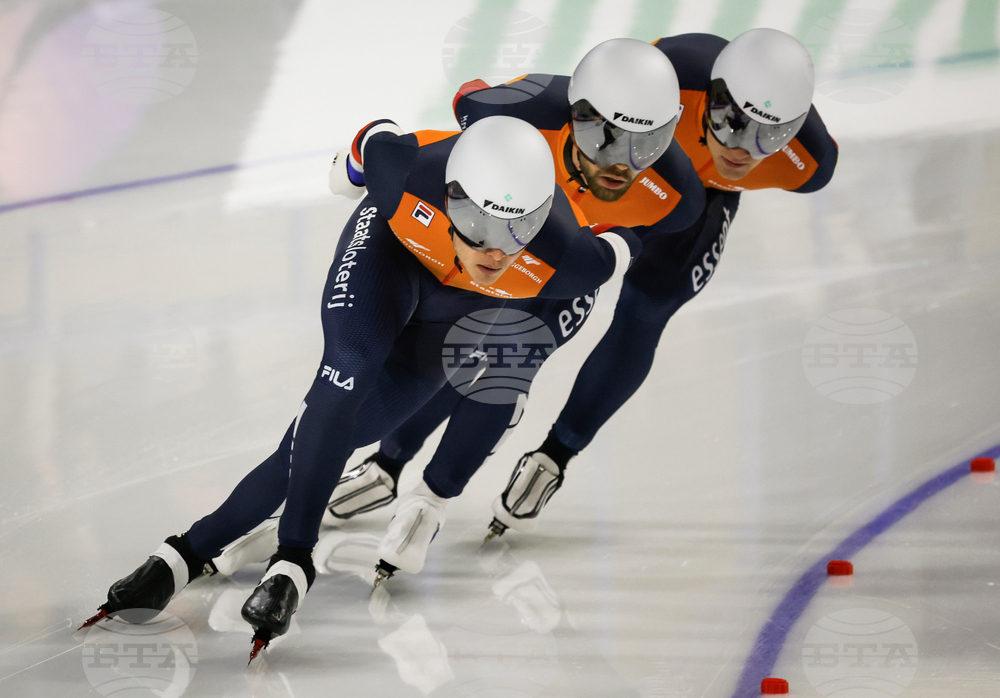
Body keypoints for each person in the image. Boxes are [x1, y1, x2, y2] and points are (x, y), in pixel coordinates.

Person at [80, 114, 642, 662]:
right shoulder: (406, 173)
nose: (496, 251)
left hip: (452, 314)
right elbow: (373, 137)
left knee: (340, 434)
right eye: (482, 226)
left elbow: (625, 244)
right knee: (347, 370)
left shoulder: (568, 261)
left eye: (517, 229)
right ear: (451, 197)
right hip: (390, 252)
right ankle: (293, 559)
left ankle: (182, 554)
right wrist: (348, 173)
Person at [328, 29, 838, 541]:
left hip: (682, 205)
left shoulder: (808, 164)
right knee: (503, 326)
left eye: (771, 136)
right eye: (730, 121)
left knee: (648, 306)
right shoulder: (667, 74)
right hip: (603, 195)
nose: (744, 150)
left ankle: (556, 453)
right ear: (701, 99)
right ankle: (391, 460)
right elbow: (542, 103)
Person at [323, 38, 706, 573]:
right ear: (573, 116)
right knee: (448, 346)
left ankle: (433, 499)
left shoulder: (678, 194)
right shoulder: (508, 110)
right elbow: (462, 110)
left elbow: (640, 242)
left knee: (511, 356)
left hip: (567, 259)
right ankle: (389, 461)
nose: (623, 164)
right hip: (494, 240)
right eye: (606, 137)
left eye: (647, 144)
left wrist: (603, 253)